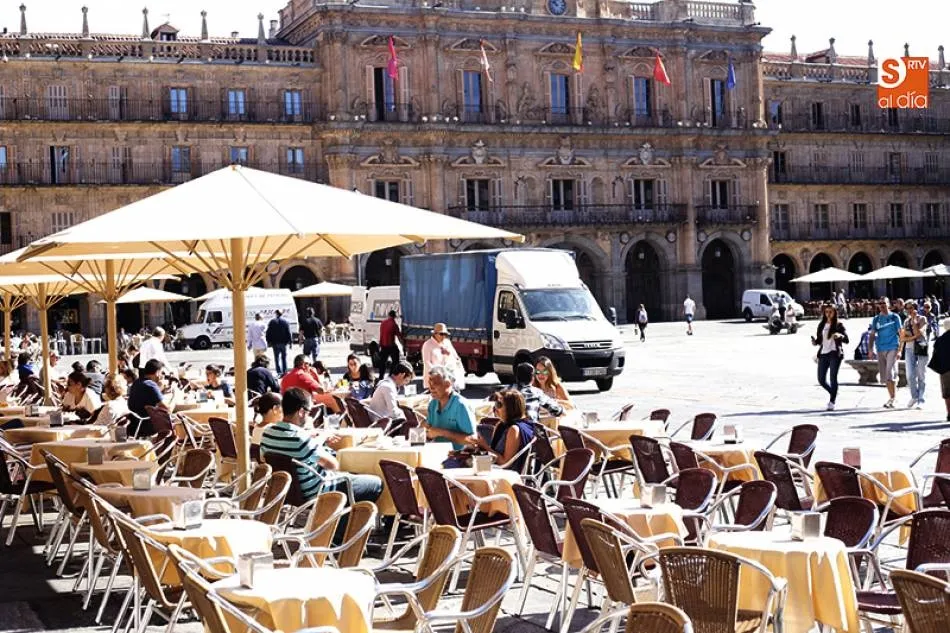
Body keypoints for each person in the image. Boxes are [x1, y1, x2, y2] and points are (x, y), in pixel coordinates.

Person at [260, 387, 383, 504]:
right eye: (309, 411)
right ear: (301, 412)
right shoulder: (301, 439)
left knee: (354, 478)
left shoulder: (267, 433)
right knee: (376, 483)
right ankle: (342, 523)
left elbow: (264, 458)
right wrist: (316, 441)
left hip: (286, 491)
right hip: (317, 490)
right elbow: (333, 465)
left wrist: (317, 440)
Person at [474, 390, 536, 472]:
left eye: (498, 405)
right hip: (495, 469)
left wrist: (485, 446)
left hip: (507, 475)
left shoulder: (514, 429)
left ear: (510, 408)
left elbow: (505, 463)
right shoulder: (501, 424)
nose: (495, 408)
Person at [423, 366, 475, 450]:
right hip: (435, 453)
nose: (431, 388)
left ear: (448, 384)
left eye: (435, 384)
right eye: (429, 383)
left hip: (457, 458)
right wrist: (425, 432)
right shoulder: (433, 404)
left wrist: (443, 433)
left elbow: (472, 440)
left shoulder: (460, 405)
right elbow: (428, 430)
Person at [811, 304, 848, 411]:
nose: (828, 314)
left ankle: (832, 401)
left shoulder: (839, 325)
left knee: (833, 378)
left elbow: (846, 339)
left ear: (835, 313)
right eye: (826, 312)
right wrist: (815, 342)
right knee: (821, 379)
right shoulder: (822, 324)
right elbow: (819, 340)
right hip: (823, 353)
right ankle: (834, 392)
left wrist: (839, 336)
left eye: (830, 312)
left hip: (835, 353)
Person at [868, 298, 903, 408]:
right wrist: (870, 349)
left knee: (890, 372)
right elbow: (872, 334)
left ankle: (893, 398)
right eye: (880, 303)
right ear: (878, 305)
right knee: (885, 376)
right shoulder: (876, 319)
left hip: (893, 346)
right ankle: (892, 397)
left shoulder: (894, 317)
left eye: (884, 303)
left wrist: (900, 350)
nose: (882, 305)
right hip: (880, 348)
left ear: (889, 304)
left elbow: (901, 333)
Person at [127, 359, 169, 437]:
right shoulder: (151, 385)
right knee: (179, 421)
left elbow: (147, 397)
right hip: (148, 425)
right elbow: (167, 409)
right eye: (162, 373)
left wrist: (159, 388)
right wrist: (175, 395)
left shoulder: (137, 383)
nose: (162, 376)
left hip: (133, 425)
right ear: (157, 372)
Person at [900, 300, 928, 410]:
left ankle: (921, 399)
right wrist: (900, 349)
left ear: (916, 308)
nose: (909, 310)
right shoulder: (906, 321)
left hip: (921, 347)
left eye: (911, 308)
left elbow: (919, 333)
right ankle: (914, 396)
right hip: (909, 349)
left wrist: (913, 321)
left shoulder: (922, 319)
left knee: (921, 374)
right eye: (907, 308)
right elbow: (902, 338)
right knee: (910, 375)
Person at [421, 323, 462, 390]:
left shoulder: (447, 342)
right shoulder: (427, 344)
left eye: (445, 334)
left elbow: (456, 357)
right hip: (434, 380)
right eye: (441, 334)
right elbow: (427, 362)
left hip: (447, 379)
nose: (443, 337)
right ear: (435, 334)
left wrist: (449, 353)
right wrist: (437, 373)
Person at [927, 318, 950, 423]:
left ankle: (949, 413)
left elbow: (935, 357)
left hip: (945, 370)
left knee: (947, 394)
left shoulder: (939, 340)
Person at [266, 310, 293, 375]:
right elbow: (289, 333)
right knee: (284, 357)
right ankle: (285, 371)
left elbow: (268, 333)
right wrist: (290, 342)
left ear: (276, 314)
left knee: (276, 357)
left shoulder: (272, 322)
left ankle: (279, 371)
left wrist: (268, 341)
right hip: (283, 343)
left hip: (275, 343)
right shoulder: (285, 322)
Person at [377, 310, 403, 377]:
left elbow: (381, 334)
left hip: (383, 345)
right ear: (394, 316)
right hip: (391, 346)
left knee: (382, 362)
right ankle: (391, 375)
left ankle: (381, 376)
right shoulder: (394, 324)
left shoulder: (383, 323)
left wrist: (379, 345)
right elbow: (399, 336)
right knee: (396, 361)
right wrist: (403, 345)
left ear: (388, 315)